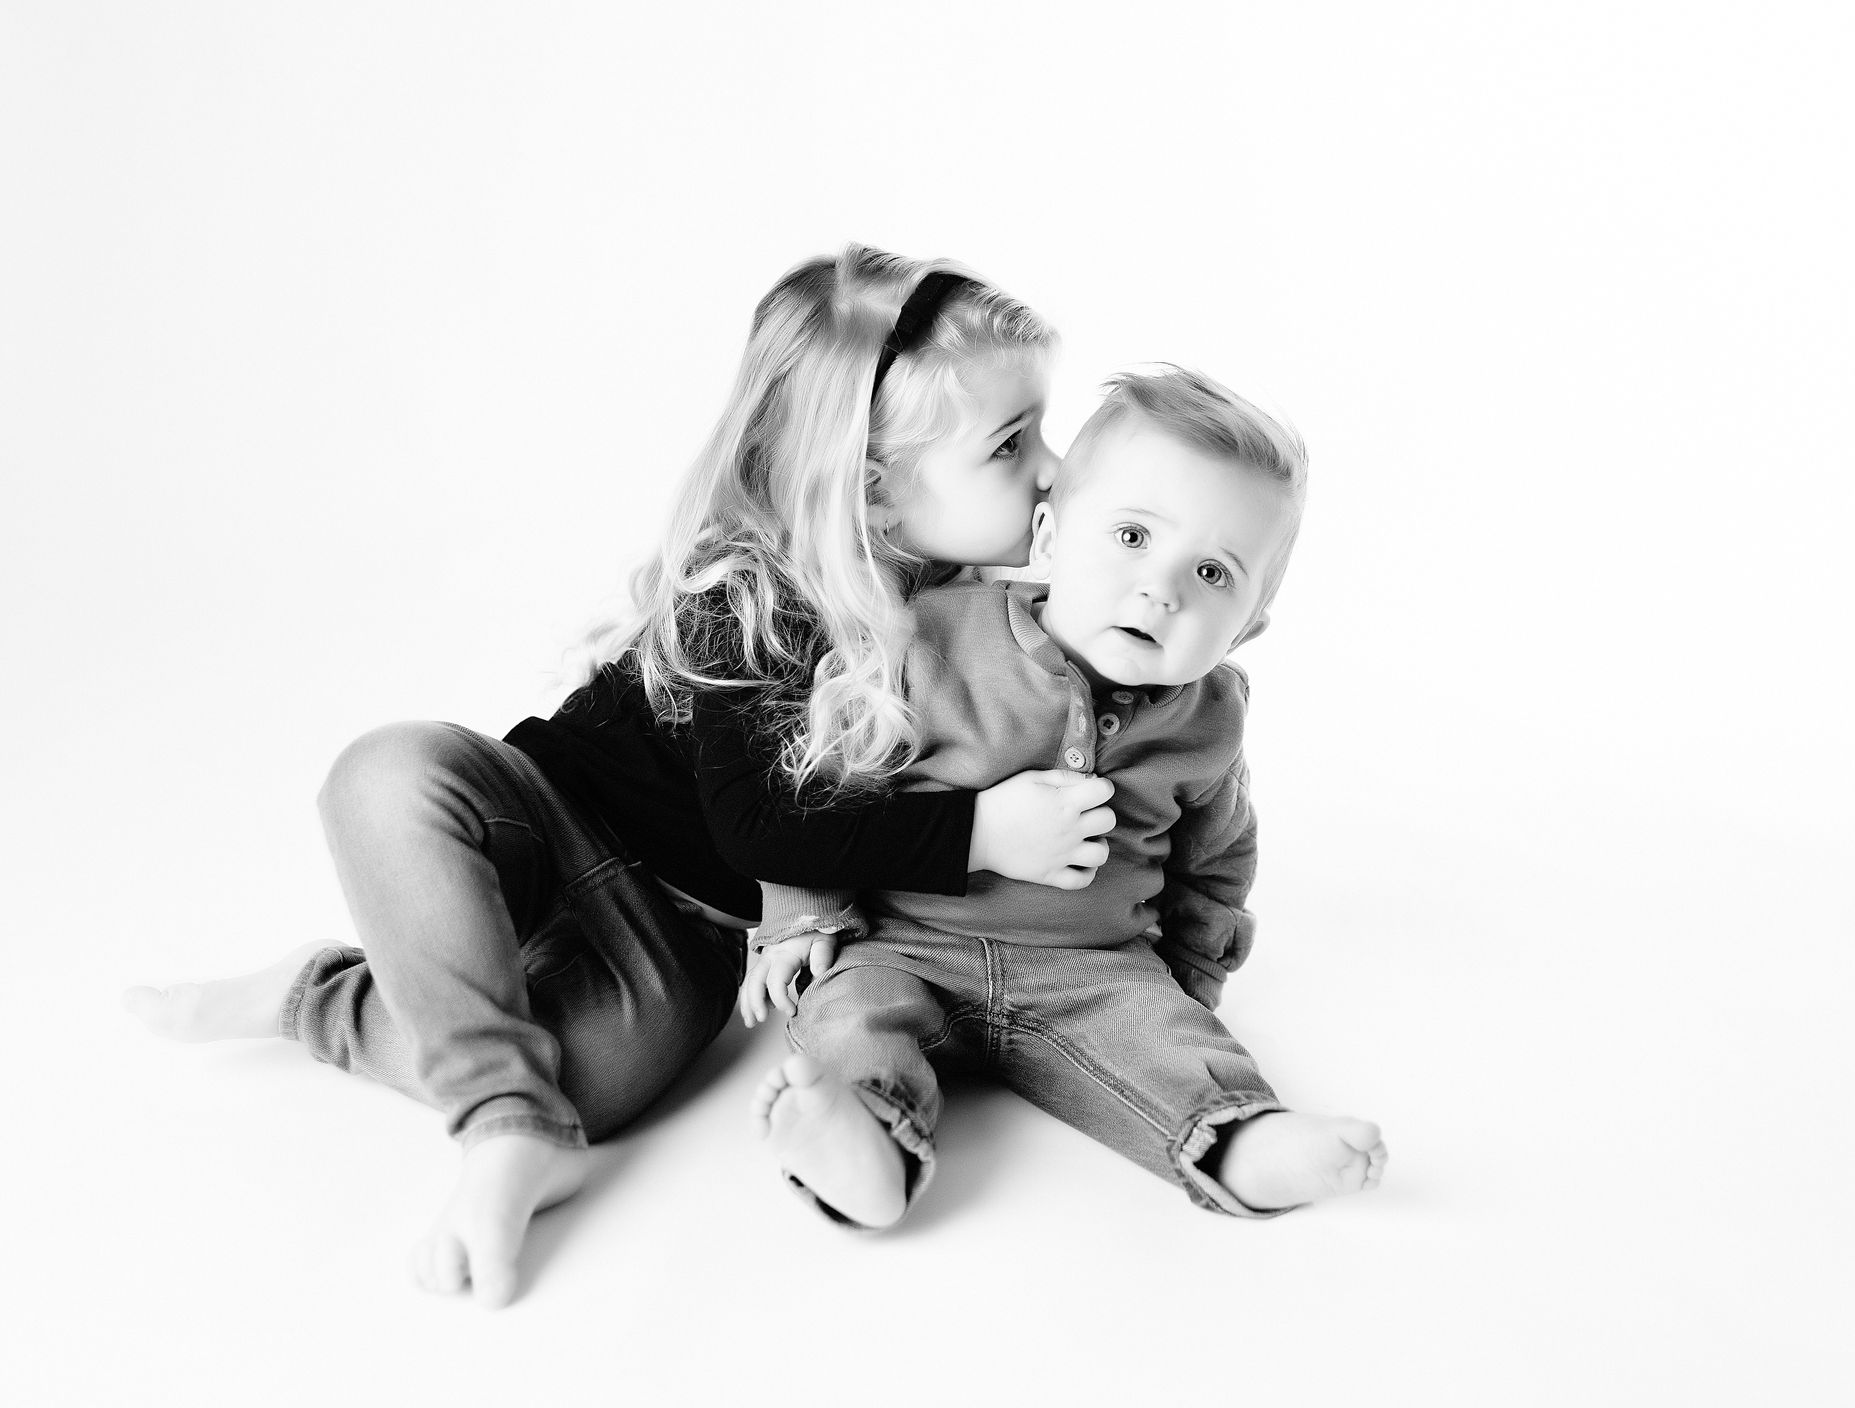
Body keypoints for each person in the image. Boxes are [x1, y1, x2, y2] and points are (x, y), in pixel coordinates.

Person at [124, 247, 1118, 1305]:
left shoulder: (975, 619)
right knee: (384, 774)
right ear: (871, 491)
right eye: (1012, 445)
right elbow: (763, 829)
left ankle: (326, 999)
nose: (1053, 470)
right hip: (547, 818)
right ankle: (506, 1129)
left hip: (685, 932)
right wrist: (979, 834)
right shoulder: (753, 590)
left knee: (584, 1078)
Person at [741, 366, 1388, 1229]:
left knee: (1170, 1044)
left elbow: (1217, 857)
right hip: (908, 942)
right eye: (1132, 537)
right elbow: (825, 776)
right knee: (852, 1016)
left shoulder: (1209, 718)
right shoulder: (930, 635)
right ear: (1048, 537)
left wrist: (1188, 976)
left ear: (1248, 628)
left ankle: (1243, 1140)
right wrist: (803, 916)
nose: (1161, 589)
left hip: (1095, 968)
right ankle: (859, 1138)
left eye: (1212, 572)